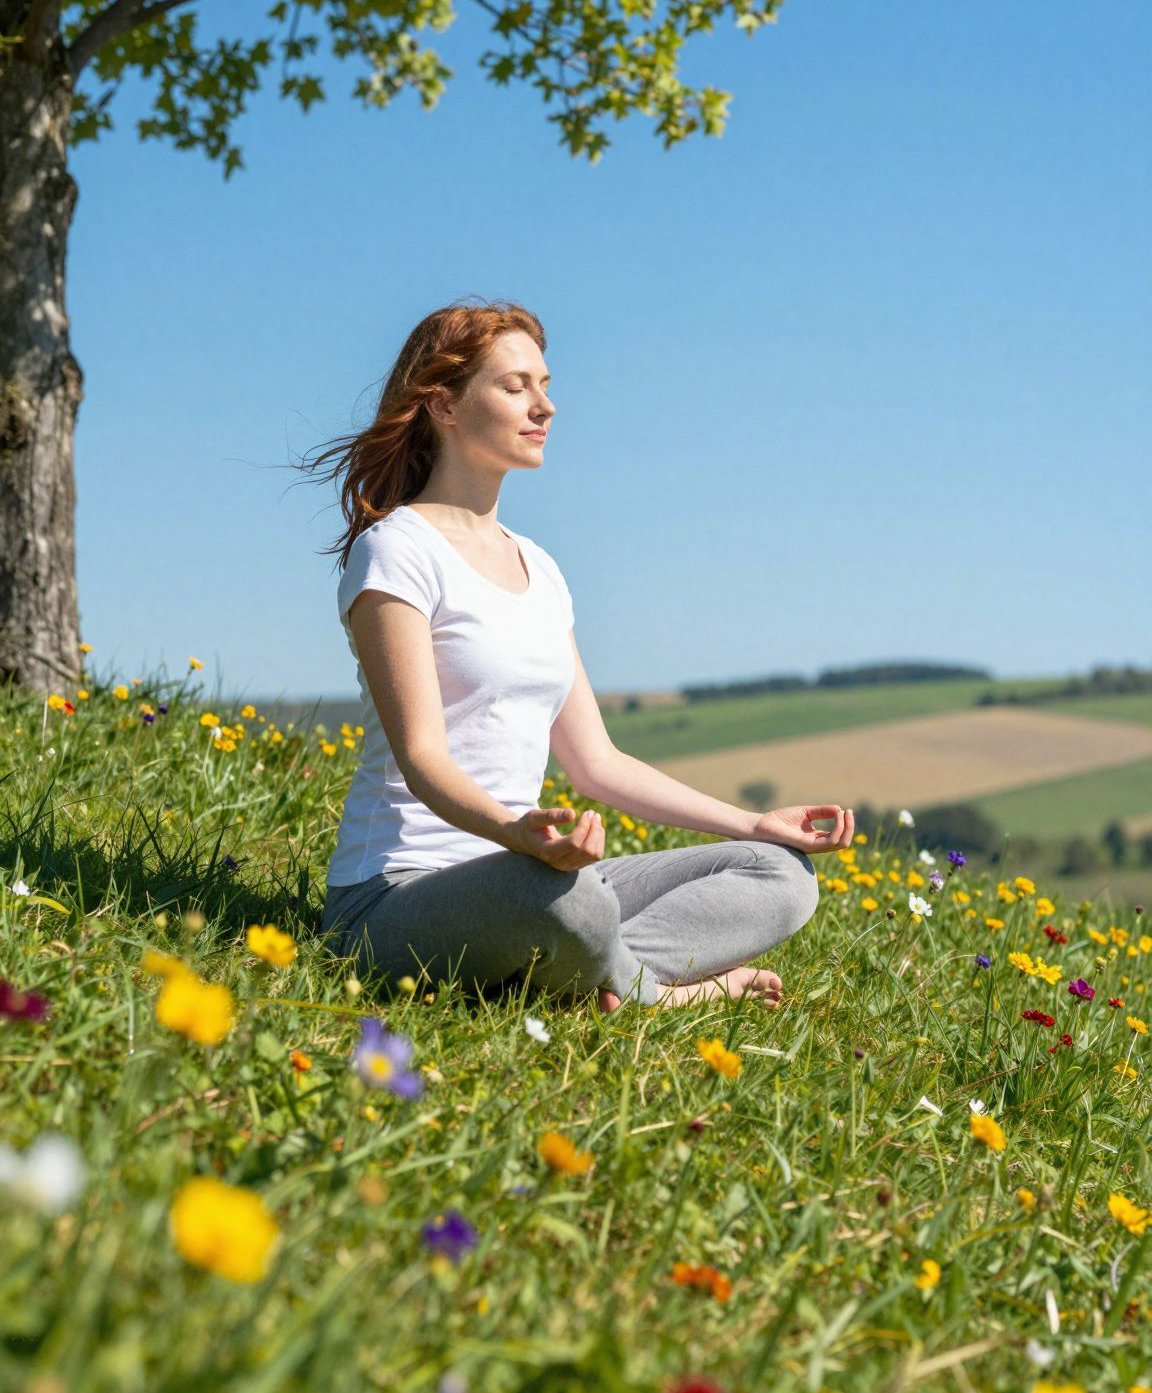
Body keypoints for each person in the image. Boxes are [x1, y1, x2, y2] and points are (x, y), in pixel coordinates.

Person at [300, 299, 854, 1016]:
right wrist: (511, 832)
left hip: (534, 875)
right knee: (561, 899)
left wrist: (752, 824)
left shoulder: (542, 570)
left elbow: (597, 764)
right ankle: (661, 993)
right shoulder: (397, 550)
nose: (545, 406)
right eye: (515, 386)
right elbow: (422, 757)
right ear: (442, 403)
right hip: (394, 899)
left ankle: (585, 977)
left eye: (546, 384)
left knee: (781, 876)